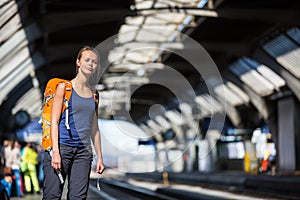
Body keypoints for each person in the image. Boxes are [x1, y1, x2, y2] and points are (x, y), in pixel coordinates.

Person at [42, 46, 105, 200]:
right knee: (52, 195)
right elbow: (54, 121)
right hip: (62, 148)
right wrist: (55, 152)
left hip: (83, 152)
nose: (91, 64)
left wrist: (100, 157)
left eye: (94, 62)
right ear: (78, 62)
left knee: (79, 197)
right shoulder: (64, 88)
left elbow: (94, 129)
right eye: (87, 60)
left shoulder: (95, 94)